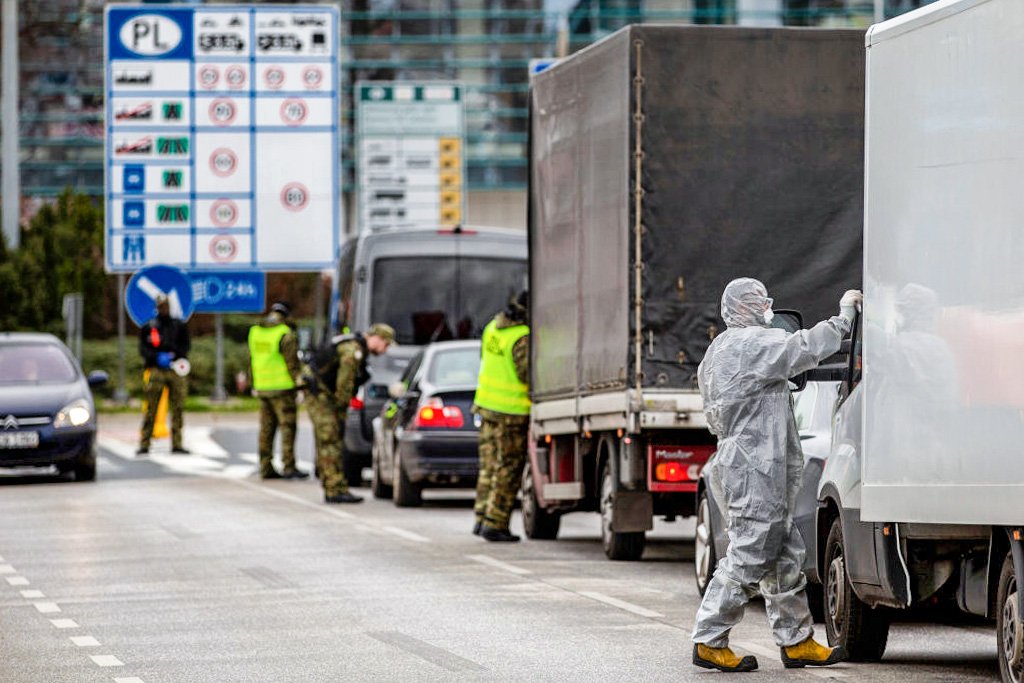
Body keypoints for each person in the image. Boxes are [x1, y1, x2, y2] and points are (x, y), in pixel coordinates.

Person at [692, 278, 861, 672]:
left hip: (749, 461)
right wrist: (844, 317)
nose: (766, 306)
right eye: (760, 300)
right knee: (750, 552)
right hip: (755, 466)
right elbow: (802, 348)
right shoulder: (752, 344)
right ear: (747, 307)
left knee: (785, 555)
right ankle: (709, 638)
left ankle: (796, 639)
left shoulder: (719, 350)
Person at [305, 323, 394, 504]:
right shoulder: (353, 351)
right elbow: (344, 385)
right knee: (329, 440)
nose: (385, 350)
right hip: (321, 396)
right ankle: (333, 489)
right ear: (377, 338)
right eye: (386, 345)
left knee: (333, 439)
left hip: (325, 394)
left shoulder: (356, 347)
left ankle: (337, 486)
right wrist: (341, 410)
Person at [471, 290, 530, 543]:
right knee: (508, 469)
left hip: (486, 406)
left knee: (488, 467)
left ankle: (481, 516)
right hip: (511, 413)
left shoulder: (492, 328)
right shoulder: (521, 337)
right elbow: (527, 374)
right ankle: (495, 523)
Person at [248, 301, 308, 480]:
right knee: (287, 427)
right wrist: (301, 385)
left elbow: (251, 359)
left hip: (262, 386)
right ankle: (289, 466)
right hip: (282, 388)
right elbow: (292, 364)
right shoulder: (285, 334)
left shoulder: (255, 332)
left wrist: (253, 384)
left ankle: (265, 466)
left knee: (266, 429)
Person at [137, 294, 191, 455]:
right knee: (151, 407)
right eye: (161, 306)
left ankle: (177, 443)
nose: (164, 309)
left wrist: (175, 355)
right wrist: (155, 357)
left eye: (166, 305)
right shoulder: (149, 327)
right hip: (156, 370)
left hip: (175, 370)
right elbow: (143, 349)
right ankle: (145, 442)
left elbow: (186, 346)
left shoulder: (179, 326)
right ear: (157, 307)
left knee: (178, 408)